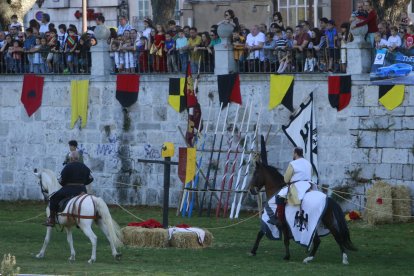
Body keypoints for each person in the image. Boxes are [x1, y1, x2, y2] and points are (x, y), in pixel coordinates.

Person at [43, 151, 93, 227]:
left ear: (71, 158)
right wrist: (82, 184)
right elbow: (90, 179)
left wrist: (65, 184)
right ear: (78, 158)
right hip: (82, 190)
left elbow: (60, 180)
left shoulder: (68, 166)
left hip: (69, 189)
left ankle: (51, 219)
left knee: (53, 198)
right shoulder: (84, 167)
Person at [276, 147, 313, 224]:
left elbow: (286, 179)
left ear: (296, 153)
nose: (293, 154)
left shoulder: (293, 163)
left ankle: (281, 220)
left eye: (293, 153)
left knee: (279, 196)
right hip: (309, 186)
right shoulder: (308, 163)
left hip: (297, 186)